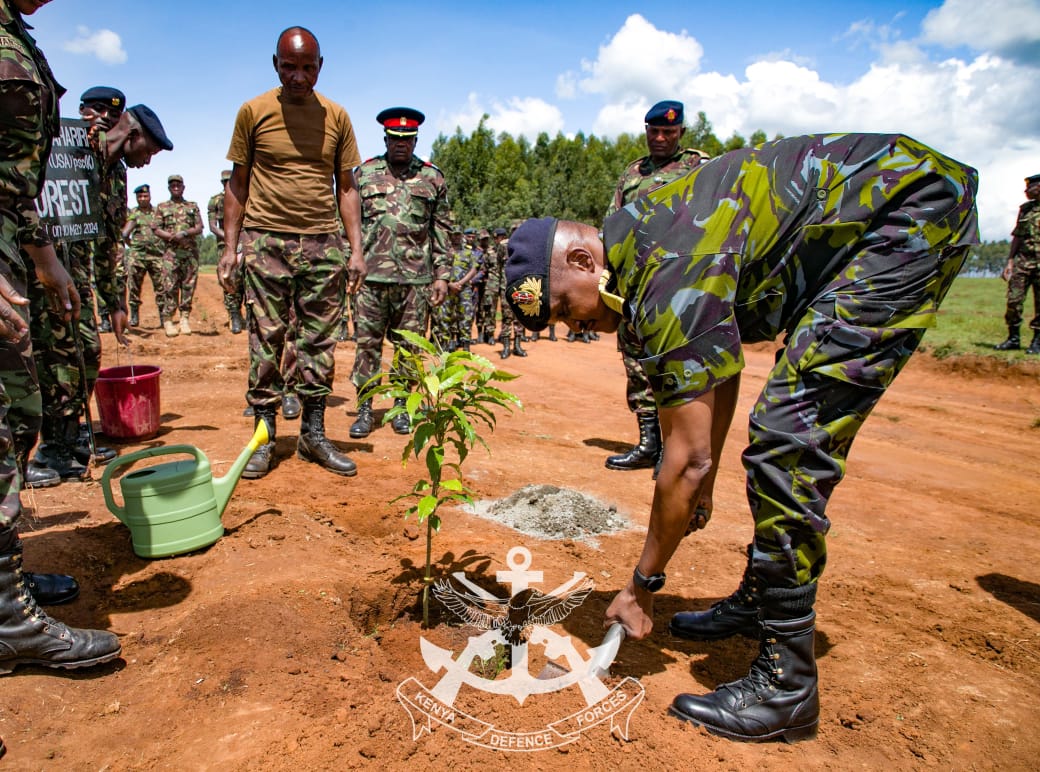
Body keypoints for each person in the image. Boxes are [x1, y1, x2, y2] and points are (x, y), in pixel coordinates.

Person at [504, 133, 979, 743]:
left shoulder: (664, 271)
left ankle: (788, 687)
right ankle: (760, 601)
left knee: (789, 438)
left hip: (907, 212)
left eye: (571, 311)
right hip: (883, 209)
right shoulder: (644, 241)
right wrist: (706, 479)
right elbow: (716, 373)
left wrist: (641, 585)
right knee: (776, 426)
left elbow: (687, 459)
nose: (582, 327)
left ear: (580, 263)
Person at [0, 0, 122, 676]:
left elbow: (15, 177)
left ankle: (6, 592)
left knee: (19, 412)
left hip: (16, 245)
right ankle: (8, 624)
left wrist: (42, 254)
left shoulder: (14, 30)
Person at [219, 25, 364, 478]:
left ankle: (313, 435)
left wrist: (355, 250)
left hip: (324, 244)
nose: (298, 77)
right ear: (275, 64)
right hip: (266, 242)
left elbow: (348, 188)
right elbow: (237, 186)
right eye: (289, 67)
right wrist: (229, 247)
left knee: (320, 342)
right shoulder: (253, 112)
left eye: (306, 68)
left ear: (320, 67)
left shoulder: (337, 117)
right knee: (267, 339)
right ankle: (264, 439)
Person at [29, 99, 171, 483]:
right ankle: (49, 450)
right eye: (150, 151)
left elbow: (108, 242)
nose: (148, 160)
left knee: (87, 352)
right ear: (133, 134)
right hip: (41, 272)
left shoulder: (117, 174)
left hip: (76, 278)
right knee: (55, 359)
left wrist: (116, 303)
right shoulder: (73, 148)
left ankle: (74, 437)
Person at [604, 100, 709, 474]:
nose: (660, 138)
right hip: (636, 287)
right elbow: (612, 225)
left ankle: (675, 450)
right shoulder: (632, 174)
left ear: (681, 132)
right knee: (637, 364)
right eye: (654, 131)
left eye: (669, 132)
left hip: (680, 286)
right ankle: (649, 443)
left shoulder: (699, 167)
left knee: (676, 367)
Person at [349, 107, 450, 439]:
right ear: (386, 139)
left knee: (408, 349)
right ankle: (365, 408)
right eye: (395, 139)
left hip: (415, 281)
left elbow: (442, 229)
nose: (400, 145)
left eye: (406, 140)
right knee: (367, 346)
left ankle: (402, 408)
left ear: (415, 140)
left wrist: (442, 276)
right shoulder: (364, 175)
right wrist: (350, 260)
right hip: (370, 280)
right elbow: (348, 223)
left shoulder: (432, 178)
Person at [993, 174, 1040, 354]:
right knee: (1014, 300)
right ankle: (1013, 338)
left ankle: (1037, 342)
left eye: (1030, 188)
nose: (1026, 191)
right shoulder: (1025, 210)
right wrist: (1010, 261)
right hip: (1023, 262)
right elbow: (1017, 236)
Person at [155, 175, 202, 336]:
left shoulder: (192, 206)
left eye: (178, 185)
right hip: (171, 255)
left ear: (183, 187)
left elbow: (199, 227)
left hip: (189, 254)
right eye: (172, 185)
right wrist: (171, 237)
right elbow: (156, 228)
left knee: (188, 287)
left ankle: (184, 319)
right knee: (170, 287)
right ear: (169, 188)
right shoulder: (162, 207)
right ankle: (168, 320)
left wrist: (184, 233)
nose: (175, 187)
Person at [123, 183, 167, 327]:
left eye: (145, 196)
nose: (142, 198)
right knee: (134, 287)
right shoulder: (134, 214)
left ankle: (163, 317)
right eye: (139, 196)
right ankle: (134, 317)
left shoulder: (157, 212)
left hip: (157, 256)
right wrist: (134, 247)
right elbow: (125, 234)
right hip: (138, 257)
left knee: (161, 287)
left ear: (150, 196)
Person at [208, 169, 245, 334]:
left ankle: (250, 316)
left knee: (248, 277)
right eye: (224, 182)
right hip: (226, 246)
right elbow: (212, 226)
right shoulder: (215, 201)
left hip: (246, 244)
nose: (227, 184)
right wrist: (231, 239)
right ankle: (234, 314)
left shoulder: (246, 197)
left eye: (229, 181)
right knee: (229, 278)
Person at [431, 227, 478, 351]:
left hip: (464, 289)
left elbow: (473, 269)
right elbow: (438, 268)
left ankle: (466, 345)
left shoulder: (468, 252)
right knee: (445, 316)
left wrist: (461, 283)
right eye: (454, 235)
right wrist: (451, 284)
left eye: (458, 235)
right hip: (447, 288)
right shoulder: (444, 253)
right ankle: (445, 345)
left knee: (466, 316)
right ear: (450, 236)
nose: (456, 237)